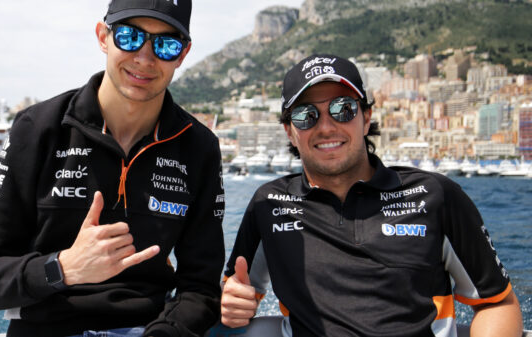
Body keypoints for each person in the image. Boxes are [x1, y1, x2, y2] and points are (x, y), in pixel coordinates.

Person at [0, 0, 226, 337]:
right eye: (130, 37)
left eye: (165, 44)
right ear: (104, 36)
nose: (145, 59)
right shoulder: (38, 129)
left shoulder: (199, 146)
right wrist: (63, 267)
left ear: (183, 54)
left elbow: (202, 287)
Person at [220, 54, 523, 336]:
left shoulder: (435, 195)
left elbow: (497, 302)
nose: (326, 126)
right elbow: (234, 296)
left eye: (343, 109)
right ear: (289, 131)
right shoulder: (268, 204)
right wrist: (233, 304)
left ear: (366, 118)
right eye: (305, 115)